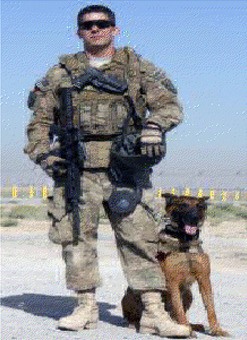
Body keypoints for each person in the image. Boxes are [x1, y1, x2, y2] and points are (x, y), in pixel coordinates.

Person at [24, 5, 190, 338]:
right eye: (88, 26)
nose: (95, 29)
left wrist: (154, 125)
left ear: (115, 29)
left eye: (102, 24)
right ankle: (85, 308)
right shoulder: (61, 74)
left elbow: (169, 105)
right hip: (76, 169)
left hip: (125, 168)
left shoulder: (136, 68)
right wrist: (44, 155)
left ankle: (154, 314)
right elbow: (40, 122)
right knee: (76, 240)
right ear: (79, 32)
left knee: (139, 240)